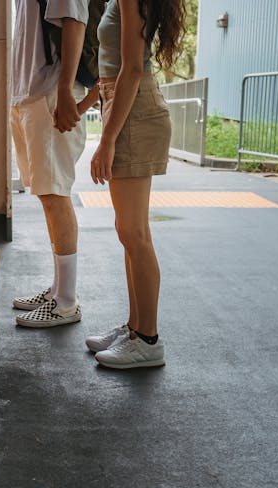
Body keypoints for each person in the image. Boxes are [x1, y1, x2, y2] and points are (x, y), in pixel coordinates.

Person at [85, 0, 185, 368]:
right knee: (129, 230)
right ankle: (135, 328)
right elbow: (115, 69)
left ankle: (148, 339)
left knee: (135, 232)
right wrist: (87, 104)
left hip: (134, 109)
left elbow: (130, 68)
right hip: (127, 102)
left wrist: (106, 140)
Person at [11, 0, 97, 328]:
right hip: (28, 95)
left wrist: (63, 90)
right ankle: (58, 289)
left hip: (49, 93)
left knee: (55, 193)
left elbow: (75, 21)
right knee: (46, 196)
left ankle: (66, 303)